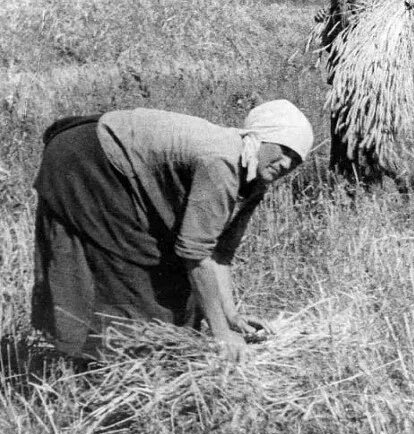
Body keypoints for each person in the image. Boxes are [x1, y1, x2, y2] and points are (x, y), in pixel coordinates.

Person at [31, 99, 314, 362]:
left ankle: (146, 355)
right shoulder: (222, 160)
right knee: (133, 272)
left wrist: (230, 317)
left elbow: (220, 253)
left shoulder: (254, 180)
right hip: (88, 158)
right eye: (283, 150)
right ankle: (104, 364)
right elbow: (195, 253)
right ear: (258, 138)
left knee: (169, 277)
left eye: (296, 160)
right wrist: (221, 335)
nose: (287, 164)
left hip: (113, 165)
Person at [314, 0, 414, 199]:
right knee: (342, 139)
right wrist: (326, 18)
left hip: (360, 80)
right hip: (342, 75)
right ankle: (347, 195)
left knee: (369, 139)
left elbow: (354, 29)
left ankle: (401, 181)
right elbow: (336, 26)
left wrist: (343, 4)